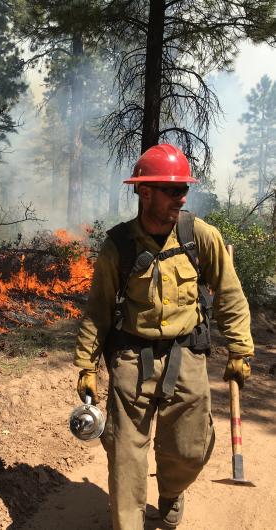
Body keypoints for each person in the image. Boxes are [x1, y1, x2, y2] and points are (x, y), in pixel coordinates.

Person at [74, 144, 254, 530]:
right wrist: (86, 363)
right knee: (125, 455)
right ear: (145, 192)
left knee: (188, 451)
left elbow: (230, 293)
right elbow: (99, 310)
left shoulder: (199, 236)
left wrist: (240, 348)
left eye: (183, 189)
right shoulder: (118, 246)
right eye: (171, 189)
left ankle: (172, 491)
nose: (181, 196)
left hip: (186, 355)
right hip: (130, 358)